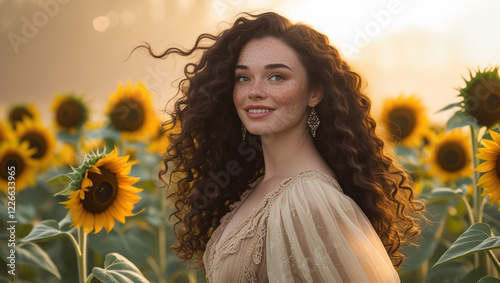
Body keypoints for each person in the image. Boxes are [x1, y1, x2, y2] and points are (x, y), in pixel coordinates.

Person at [143, 12, 425, 282]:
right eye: (243, 77)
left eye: (277, 76)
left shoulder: (307, 200)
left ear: (315, 92)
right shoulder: (260, 186)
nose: (254, 90)